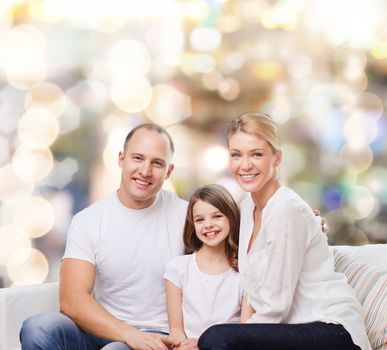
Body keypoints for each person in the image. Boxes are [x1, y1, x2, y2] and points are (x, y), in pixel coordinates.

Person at [198, 112, 371, 350]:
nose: (245, 165)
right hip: (288, 329)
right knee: (219, 338)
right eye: (236, 155)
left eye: (257, 154)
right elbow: (251, 291)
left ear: (277, 158)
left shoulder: (286, 209)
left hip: (331, 330)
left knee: (216, 339)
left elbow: (275, 308)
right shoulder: (246, 209)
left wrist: (230, 340)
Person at [20, 123, 188, 350]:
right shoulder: (89, 220)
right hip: (105, 330)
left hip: (161, 337)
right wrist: (130, 334)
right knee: (38, 327)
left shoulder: (188, 216)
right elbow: (71, 301)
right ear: (121, 159)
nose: (145, 171)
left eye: (157, 163)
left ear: (168, 171)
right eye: (137, 158)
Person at [164, 184, 243, 350]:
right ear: (193, 225)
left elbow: (244, 333)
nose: (208, 225)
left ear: (231, 217)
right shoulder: (178, 268)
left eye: (217, 216)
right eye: (200, 219)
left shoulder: (244, 271)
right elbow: (176, 330)